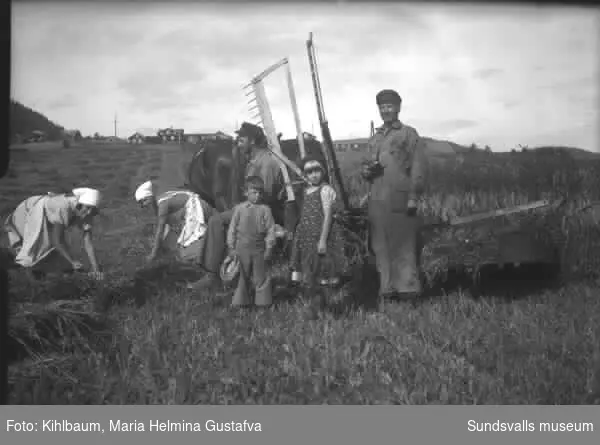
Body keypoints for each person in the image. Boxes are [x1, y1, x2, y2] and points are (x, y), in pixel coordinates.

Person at [188, 122, 285, 291]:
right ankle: (212, 268)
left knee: (217, 221)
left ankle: (212, 275)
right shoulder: (255, 161)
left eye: (241, 140)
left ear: (252, 141)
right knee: (217, 219)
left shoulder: (267, 163)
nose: (238, 143)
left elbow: (265, 196)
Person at [361, 89, 428, 307]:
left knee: (404, 247)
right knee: (381, 247)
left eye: (389, 106)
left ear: (398, 107)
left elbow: (418, 167)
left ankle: (408, 292)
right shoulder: (375, 138)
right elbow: (365, 167)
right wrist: (367, 171)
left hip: (400, 199)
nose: (385, 110)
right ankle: (387, 290)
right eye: (382, 107)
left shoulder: (408, 134)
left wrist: (413, 198)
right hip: (377, 201)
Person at [3, 187, 104, 280]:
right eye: (87, 207)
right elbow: (57, 241)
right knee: (33, 252)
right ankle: (12, 270)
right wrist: (72, 261)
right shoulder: (63, 207)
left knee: (48, 254)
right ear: (80, 204)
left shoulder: (88, 214)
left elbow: (88, 243)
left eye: (93, 209)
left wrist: (96, 269)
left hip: (48, 217)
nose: (89, 212)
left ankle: (38, 279)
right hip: (31, 211)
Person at [290, 156, 346, 309]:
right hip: (307, 237)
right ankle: (314, 304)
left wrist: (322, 239)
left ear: (322, 172)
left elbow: (328, 216)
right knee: (310, 270)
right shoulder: (306, 191)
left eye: (317, 171)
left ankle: (329, 305)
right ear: (305, 175)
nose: (314, 175)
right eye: (309, 172)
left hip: (321, 236)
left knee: (324, 270)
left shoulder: (325, 190)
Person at [134, 180, 214, 265]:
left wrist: (153, 254)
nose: (143, 205)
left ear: (150, 196)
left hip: (199, 209)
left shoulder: (162, 205)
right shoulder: (162, 198)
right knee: (178, 241)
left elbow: (160, 231)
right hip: (203, 205)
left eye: (144, 200)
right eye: (141, 204)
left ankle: (206, 252)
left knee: (185, 250)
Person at [226, 176, 276, 308]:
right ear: (246, 192)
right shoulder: (239, 209)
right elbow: (232, 229)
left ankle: (263, 304)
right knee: (242, 276)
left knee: (261, 276)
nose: (257, 196)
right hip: (241, 248)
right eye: (254, 192)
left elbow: (271, 230)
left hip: (259, 248)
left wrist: (269, 248)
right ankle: (240, 303)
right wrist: (231, 247)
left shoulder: (265, 210)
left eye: (260, 192)